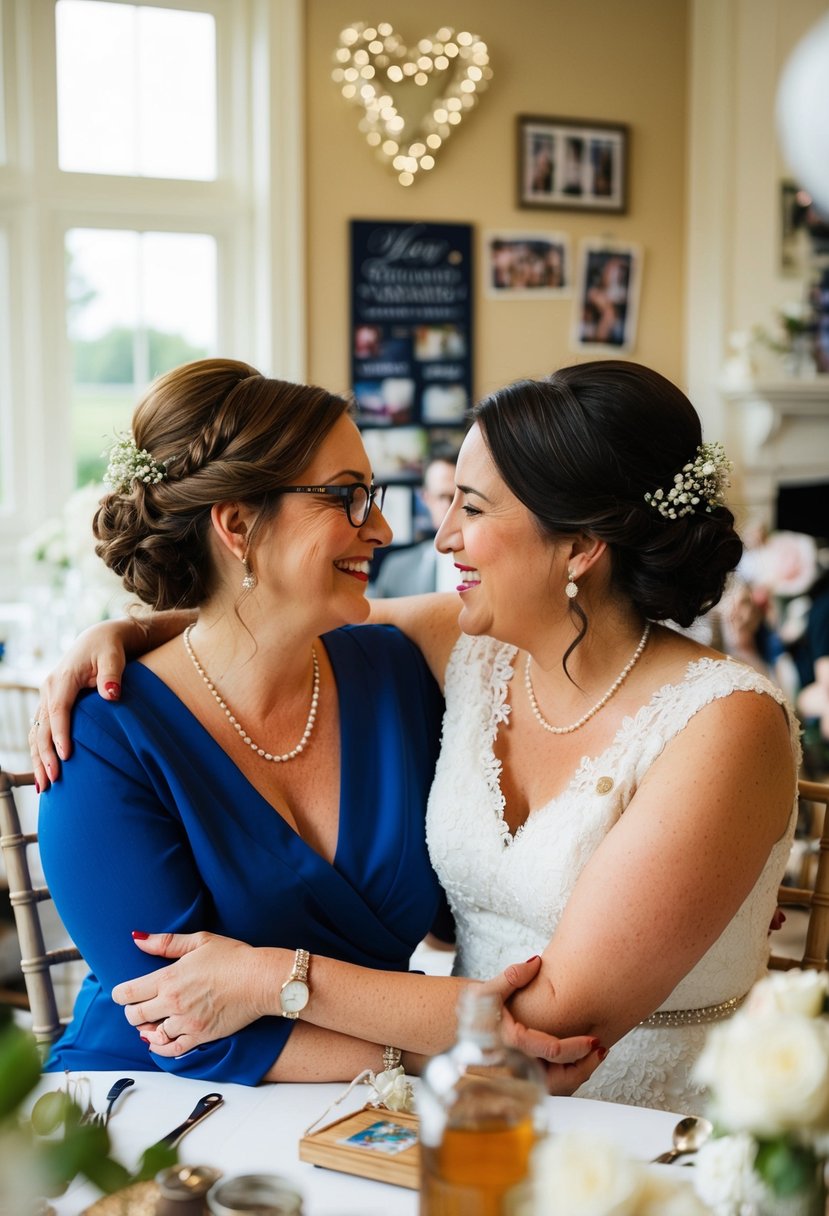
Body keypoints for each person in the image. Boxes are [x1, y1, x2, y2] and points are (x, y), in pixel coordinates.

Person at [33, 361, 800, 1113]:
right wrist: (125, 631)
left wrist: (275, 977)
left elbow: (546, 1028)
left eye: (469, 506)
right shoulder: (454, 647)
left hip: (582, 1107)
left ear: (578, 545)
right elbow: (255, 623)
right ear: (234, 525)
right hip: (183, 1098)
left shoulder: (418, 664)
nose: (428, 539)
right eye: (349, 496)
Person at [370, 456, 457, 597]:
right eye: (441, 497)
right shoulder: (397, 569)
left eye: (457, 497)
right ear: (426, 498)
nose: (450, 507)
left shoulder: (497, 565)